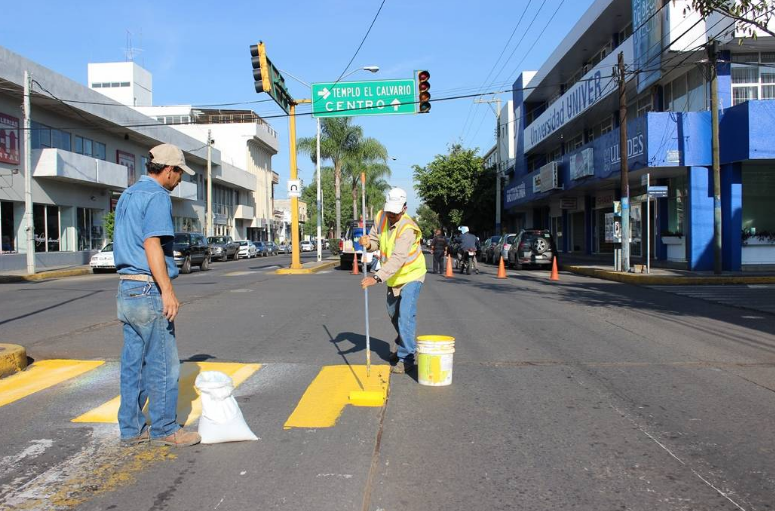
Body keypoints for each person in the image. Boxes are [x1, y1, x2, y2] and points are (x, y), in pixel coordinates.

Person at [113, 143, 201, 448]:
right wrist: (167, 291)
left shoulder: (128, 194)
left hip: (127, 288)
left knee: (133, 365)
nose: (179, 180)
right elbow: (152, 244)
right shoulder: (157, 196)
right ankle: (165, 428)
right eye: (179, 173)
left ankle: (131, 429)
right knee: (163, 363)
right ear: (169, 170)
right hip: (148, 288)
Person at [359, 188, 426, 374]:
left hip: (411, 274)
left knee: (405, 316)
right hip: (393, 276)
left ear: (404, 209)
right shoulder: (381, 217)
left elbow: (398, 258)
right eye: (389, 211)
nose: (391, 215)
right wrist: (368, 243)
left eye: (395, 213)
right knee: (393, 314)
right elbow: (375, 241)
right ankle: (403, 342)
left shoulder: (408, 228)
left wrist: (376, 277)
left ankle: (407, 357)